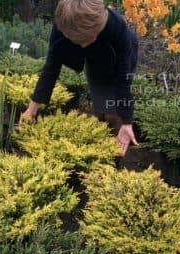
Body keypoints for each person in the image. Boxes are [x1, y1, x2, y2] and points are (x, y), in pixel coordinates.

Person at [20, 0, 139, 156]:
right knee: (101, 102)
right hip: (95, 55)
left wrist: (127, 121)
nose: (82, 45)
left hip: (116, 53)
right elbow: (51, 68)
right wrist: (31, 109)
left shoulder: (117, 27)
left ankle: (113, 155)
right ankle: (99, 137)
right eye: (79, 41)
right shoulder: (64, 23)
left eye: (86, 39)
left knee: (114, 110)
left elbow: (123, 80)